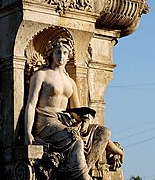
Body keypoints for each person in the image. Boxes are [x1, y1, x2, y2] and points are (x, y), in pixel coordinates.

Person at [25, 37, 124, 180]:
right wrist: (27, 131)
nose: (61, 56)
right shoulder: (42, 75)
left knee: (103, 132)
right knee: (76, 139)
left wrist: (85, 118)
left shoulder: (70, 82)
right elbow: (31, 104)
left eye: (65, 53)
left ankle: (80, 171)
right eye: (58, 52)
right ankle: (82, 175)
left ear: (69, 56)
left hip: (66, 122)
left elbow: (76, 110)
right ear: (51, 53)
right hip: (47, 123)